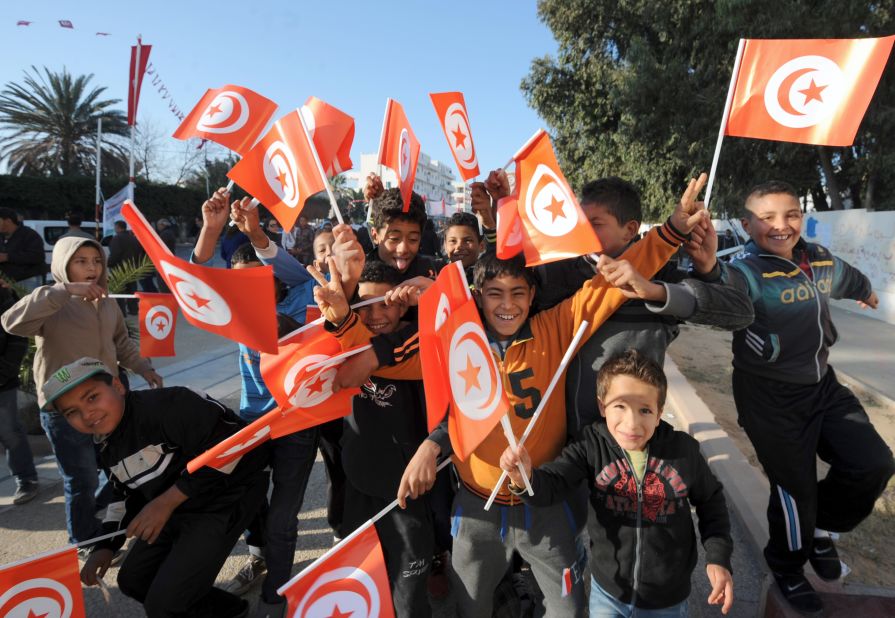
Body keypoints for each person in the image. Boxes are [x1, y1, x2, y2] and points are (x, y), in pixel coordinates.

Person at [352, 180, 707, 616]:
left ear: (533, 296)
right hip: (476, 506)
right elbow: (372, 360)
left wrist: (670, 230)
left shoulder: (555, 328)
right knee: (471, 605)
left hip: (546, 508)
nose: (507, 305)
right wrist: (339, 318)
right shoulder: (456, 341)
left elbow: (613, 284)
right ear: (477, 298)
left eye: (518, 293)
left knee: (566, 609)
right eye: (495, 294)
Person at [704, 180, 895, 616]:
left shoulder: (819, 259)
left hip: (822, 385)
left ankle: (823, 526)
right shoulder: (747, 270)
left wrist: (866, 292)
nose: (781, 225)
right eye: (767, 217)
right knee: (795, 490)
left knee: (874, 463)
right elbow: (720, 289)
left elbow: (848, 276)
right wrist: (706, 268)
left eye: (790, 214)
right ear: (748, 225)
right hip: (768, 396)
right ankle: (787, 567)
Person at [500, 350, 734, 617]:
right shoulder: (589, 446)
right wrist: (525, 478)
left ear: (659, 413)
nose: (632, 423)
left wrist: (718, 557)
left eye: (645, 410)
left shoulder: (684, 451)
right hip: (608, 593)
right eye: (620, 406)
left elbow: (711, 500)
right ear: (602, 406)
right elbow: (552, 485)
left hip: (667, 599)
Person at [47, 357, 269, 618]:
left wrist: (167, 501)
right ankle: (231, 610)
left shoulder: (171, 404)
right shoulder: (104, 443)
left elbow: (239, 445)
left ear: (118, 386)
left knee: (163, 606)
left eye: (92, 397)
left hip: (227, 497)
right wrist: (106, 545)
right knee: (133, 581)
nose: (86, 414)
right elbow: (123, 494)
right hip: (172, 509)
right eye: (72, 412)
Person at [1, 236, 162, 544]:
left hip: (108, 402)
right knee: (80, 477)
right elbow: (11, 323)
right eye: (81, 261)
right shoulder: (49, 300)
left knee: (116, 466)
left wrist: (143, 367)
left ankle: (96, 509)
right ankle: (84, 540)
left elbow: (121, 343)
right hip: (66, 410)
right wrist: (63, 291)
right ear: (63, 265)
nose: (92, 268)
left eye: (96, 261)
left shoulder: (106, 299)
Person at [311, 259, 439, 617]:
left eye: (387, 302)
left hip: (407, 493)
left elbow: (383, 358)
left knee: (408, 595)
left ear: (405, 302)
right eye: (364, 305)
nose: (377, 313)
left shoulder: (420, 345)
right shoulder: (340, 344)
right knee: (363, 585)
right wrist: (340, 319)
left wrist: (346, 322)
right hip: (359, 486)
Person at [0, 279, 38, 505]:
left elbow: (17, 338)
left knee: (10, 432)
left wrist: (3, 373)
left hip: (2, 382)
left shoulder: (5, 296)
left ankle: (26, 480)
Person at [108, 220, 147, 315]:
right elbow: (141, 253)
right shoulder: (133, 238)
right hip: (133, 268)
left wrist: (109, 263)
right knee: (131, 290)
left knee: (119, 291)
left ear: (118, 227)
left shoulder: (117, 239)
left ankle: (121, 312)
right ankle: (133, 309)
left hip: (120, 269)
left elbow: (115, 254)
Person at [0, 207, 46, 284]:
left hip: (28, 280)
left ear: (8, 221)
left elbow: (37, 256)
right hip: (6, 282)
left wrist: (7, 257)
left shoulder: (30, 235)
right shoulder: (1, 236)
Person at [441, 212, 485, 281]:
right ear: (445, 246)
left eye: (467, 240)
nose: (459, 246)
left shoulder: (487, 278)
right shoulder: (438, 276)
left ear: (481, 246)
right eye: (453, 241)